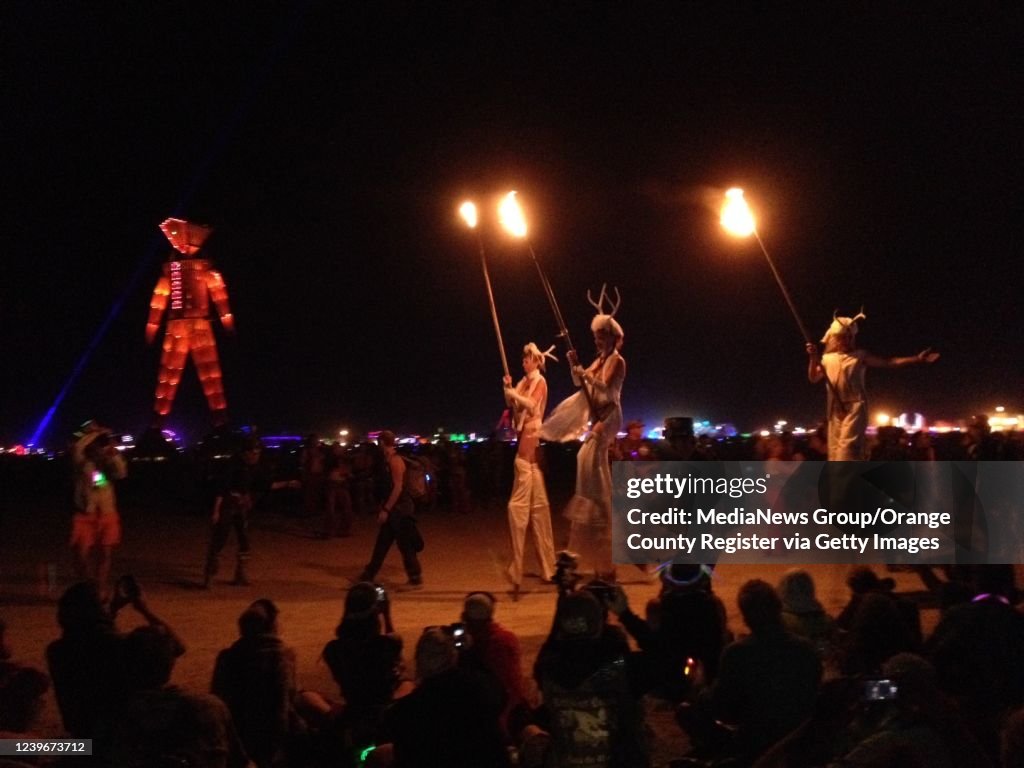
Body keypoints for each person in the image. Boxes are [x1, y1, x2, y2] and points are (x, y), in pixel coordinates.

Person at [542, 285, 626, 580]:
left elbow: (602, 386)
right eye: (595, 338)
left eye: (601, 337)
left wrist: (586, 372)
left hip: (610, 416)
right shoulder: (600, 360)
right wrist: (573, 366)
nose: (597, 341)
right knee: (584, 458)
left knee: (588, 455)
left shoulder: (617, 362)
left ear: (612, 338)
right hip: (598, 416)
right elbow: (582, 386)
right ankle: (599, 504)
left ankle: (602, 505)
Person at [805, 310, 939, 460]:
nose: (846, 341)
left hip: (855, 407)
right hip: (834, 409)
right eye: (843, 338)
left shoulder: (860, 356)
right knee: (835, 452)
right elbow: (813, 378)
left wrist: (916, 358)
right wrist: (812, 358)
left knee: (846, 451)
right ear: (834, 339)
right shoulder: (827, 359)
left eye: (850, 338)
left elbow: (889, 362)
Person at [378, 627, 509, 767]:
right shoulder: (480, 689)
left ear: (419, 662)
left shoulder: (403, 712)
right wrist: (470, 655)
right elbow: (500, 695)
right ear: (453, 657)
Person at [212, 599, 301, 768]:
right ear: (272, 625)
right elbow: (284, 703)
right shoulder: (282, 656)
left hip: (237, 733)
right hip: (267, 736)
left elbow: (218, 698)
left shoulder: (228, 656)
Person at [203, 436, 295, 588]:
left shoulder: (254, 468)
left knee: (244, 541)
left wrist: (287, 483)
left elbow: (265, 485)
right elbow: (221, 489)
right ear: (245, 453)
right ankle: (209, 575)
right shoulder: (232, 465)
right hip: (227, 504)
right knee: (220, 539)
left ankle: (240, 576)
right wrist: (216, 511)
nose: (256, 456)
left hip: (241, 507)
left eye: (258, 453)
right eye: (253, 453)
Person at [503, 342, 558, 594]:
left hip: (529, 452)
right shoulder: (523, 383)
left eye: (527, 359)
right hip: (526, 457)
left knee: (523, 510)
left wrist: (513, 394)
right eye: (523, 359)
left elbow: (532, 406)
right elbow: (513, 407)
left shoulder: (539, 382)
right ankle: (544, 569)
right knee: (536, 512)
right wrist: (508, 388)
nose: (524, 362)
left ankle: (530, 568)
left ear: (536, 361)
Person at [358, 431, 423, 589]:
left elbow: (398, 487)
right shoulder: (388, 461)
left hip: (401, 509)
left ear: (382, 443)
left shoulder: (395, 461)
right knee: (383, 544)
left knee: (405, 545)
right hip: (395, 509)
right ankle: (368, 576)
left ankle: (415, 579)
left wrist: (386, 509)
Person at [460, 591, 528, 741]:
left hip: (495, 717)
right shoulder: (505, 638)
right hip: (508, 713)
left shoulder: (484, 643)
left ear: (465, 618)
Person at [69, 420, 127, 594]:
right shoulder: (81, 463)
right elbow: (78, 447)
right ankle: (86, 583)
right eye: (95, 446)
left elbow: (122, 473)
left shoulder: (108, 464)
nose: (98, 448)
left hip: (107, 514)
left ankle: (99, 587)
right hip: (84, 515)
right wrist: (94, 433)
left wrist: (111, 447)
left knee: (105, 554)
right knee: (81, 555)